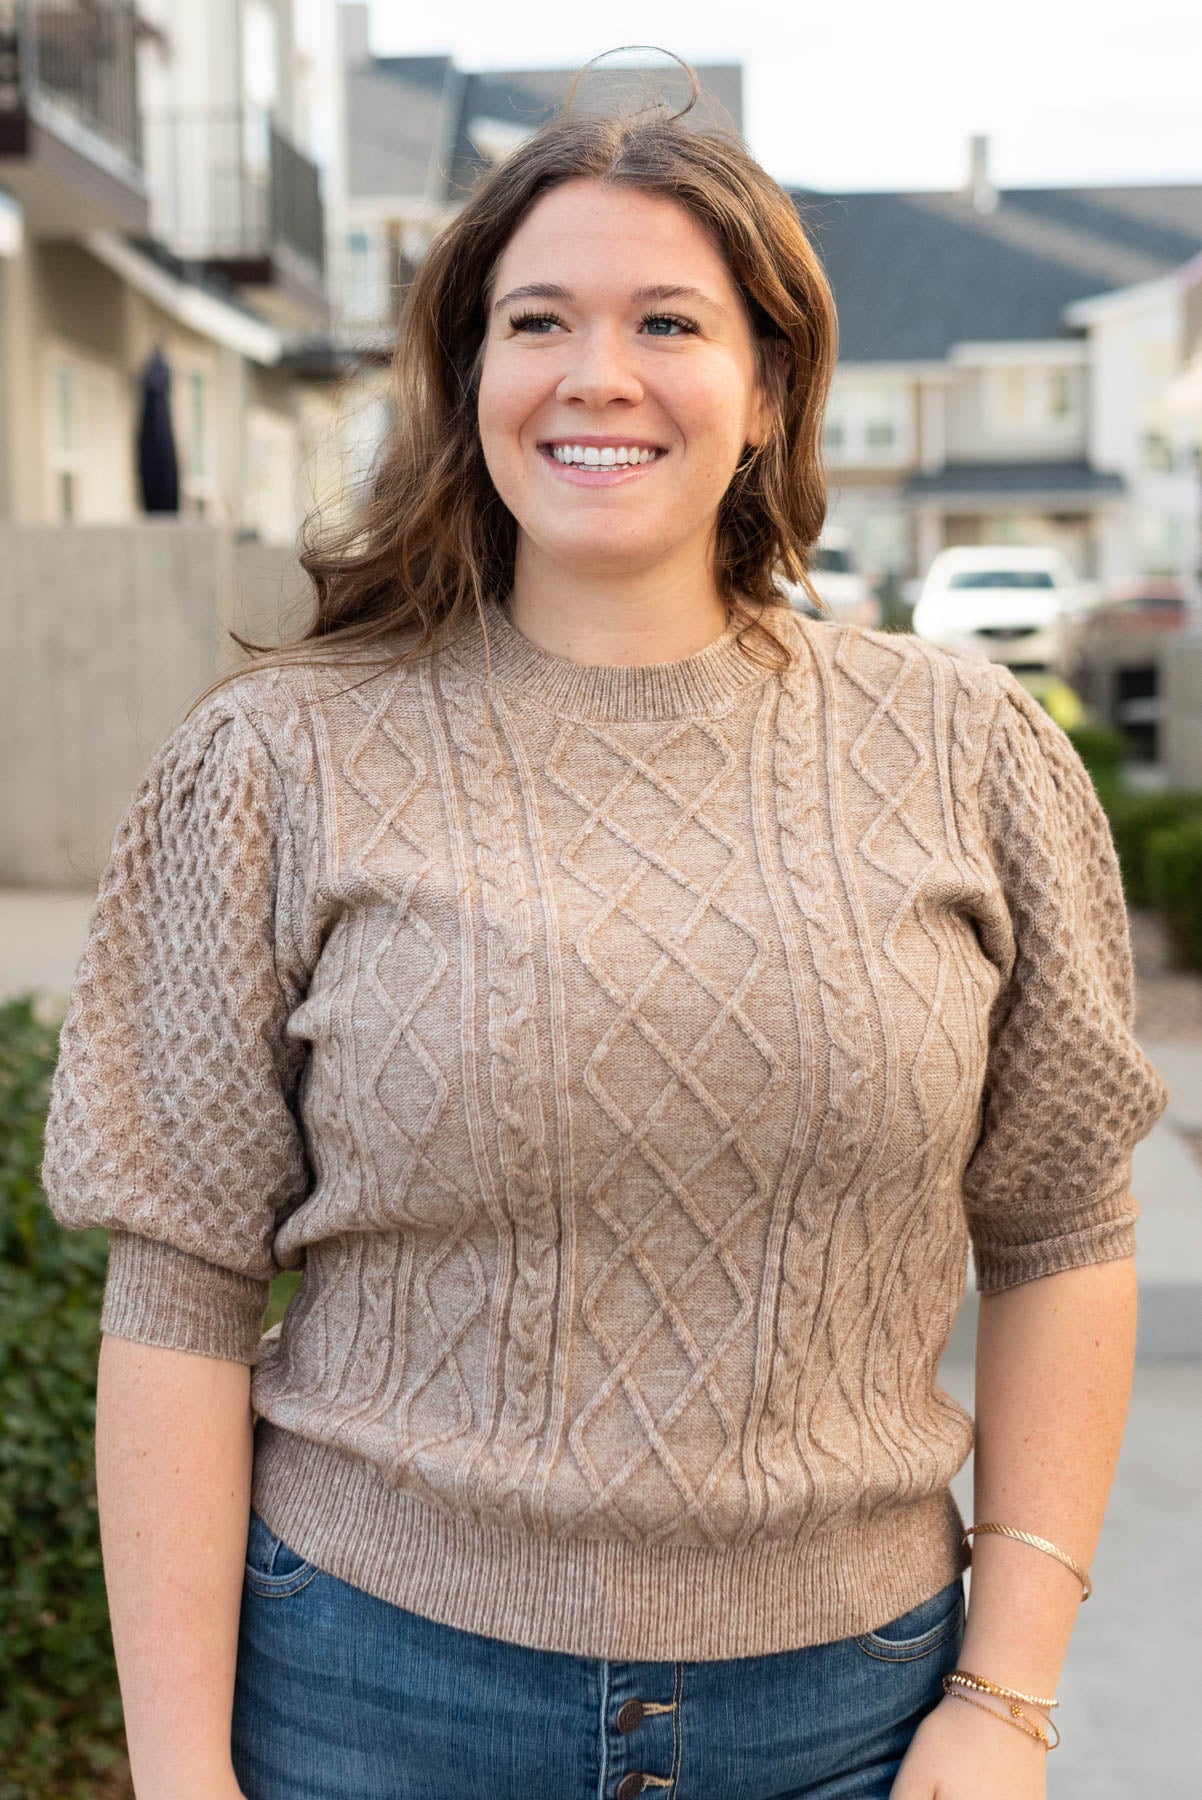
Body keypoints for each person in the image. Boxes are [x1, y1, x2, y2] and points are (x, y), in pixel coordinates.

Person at [41, 61, 1169, 1800]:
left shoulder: (973, 752)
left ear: (768, 381)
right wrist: (181, 1775)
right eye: (538, 319)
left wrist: (1003, 1696)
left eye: (668, 321)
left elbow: (1060, 1231)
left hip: (854, 1714)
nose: (598, 376)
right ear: (470, 371)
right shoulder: (276, 761)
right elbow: (178, 1288)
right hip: (368, 1694)